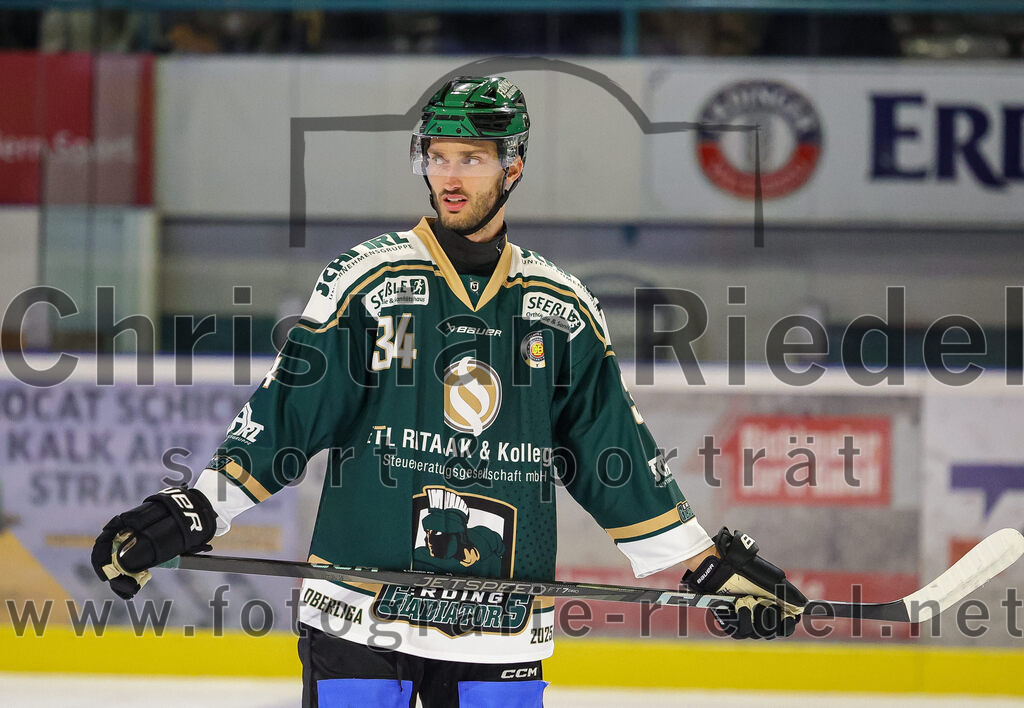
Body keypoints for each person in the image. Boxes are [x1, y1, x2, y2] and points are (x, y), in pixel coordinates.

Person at [92, 75, 806, 707]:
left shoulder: (560, 305)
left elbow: (608, 448)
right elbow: (289, 414)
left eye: (471, 158)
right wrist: (196, 507)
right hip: (360, 613)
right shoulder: (368, 279)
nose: (449, 175)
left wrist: (703, 563)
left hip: (500, 630)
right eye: (437, 156)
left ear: (513, 166)